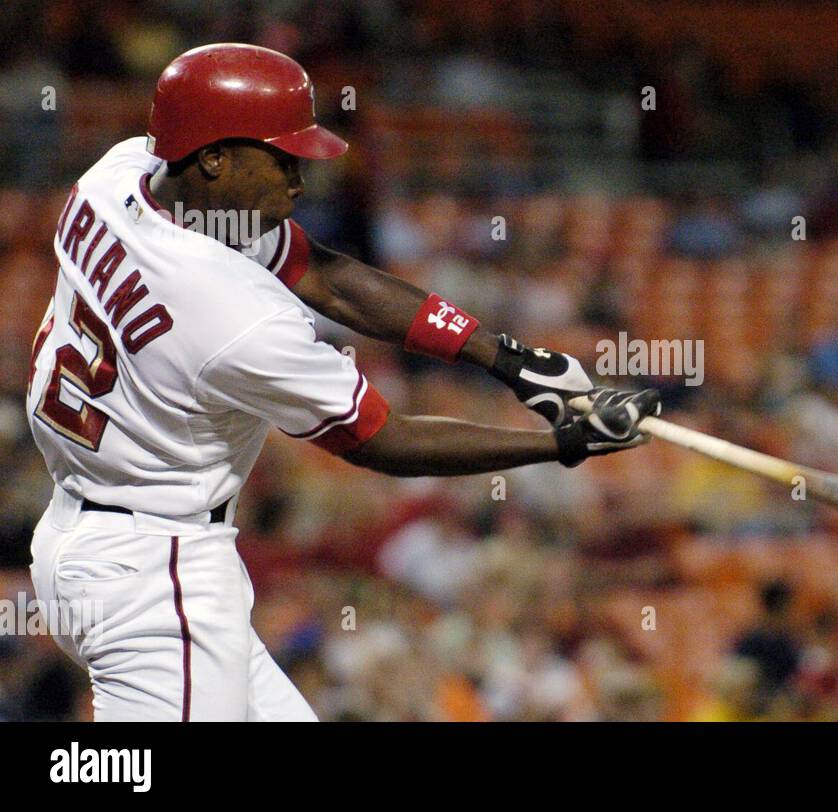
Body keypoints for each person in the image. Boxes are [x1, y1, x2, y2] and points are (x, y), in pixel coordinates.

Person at [25, 43, 658, 721]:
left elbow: (325, 274)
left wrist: (509, 360)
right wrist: (556, 444)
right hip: (155, 573)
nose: (301, 179)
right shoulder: (236, 315)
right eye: (282, 157)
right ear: (212, 158)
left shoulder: (116, 176)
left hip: (86, 531)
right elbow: (383, 440)